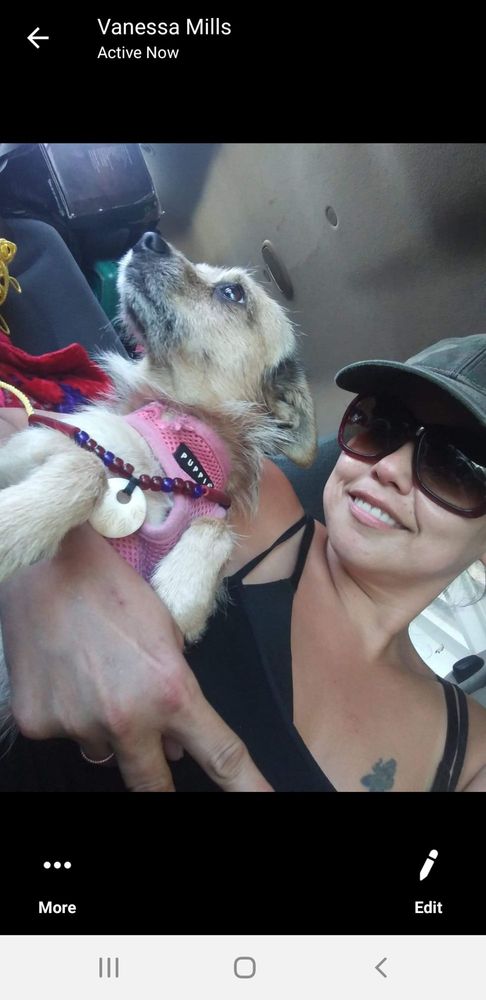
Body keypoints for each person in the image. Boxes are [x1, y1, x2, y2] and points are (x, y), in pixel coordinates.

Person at [2, 334, 486, 792]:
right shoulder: (247, 494)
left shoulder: (471, 757)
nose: (388, 466)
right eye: (383, 425)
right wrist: (51, 571)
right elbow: (22, 429)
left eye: (456, 465)